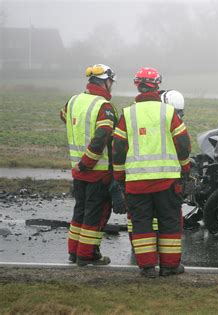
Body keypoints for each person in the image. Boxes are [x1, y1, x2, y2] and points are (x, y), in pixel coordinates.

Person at [112, 67, 191, 278]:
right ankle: (170, 266)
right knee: (169, 222)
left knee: (142, 224)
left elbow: (118, 149)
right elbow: (183, 144)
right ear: (157, 86)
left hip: (136, 184)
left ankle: (147, 267)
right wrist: (185, 168)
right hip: (167, 182)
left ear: (138, 85)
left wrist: (120, 177)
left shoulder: (127, 114)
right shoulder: (169, 112)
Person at [59, 64, 117, 266]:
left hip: (78, 170)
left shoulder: (73, 101)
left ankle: (73, 252)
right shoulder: (104, 107)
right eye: (111, 82)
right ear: (105, 82)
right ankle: (87, 254)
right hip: (96, 172)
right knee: (96, 214)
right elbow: (101, 138)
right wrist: (88, 162)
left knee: (80, 211)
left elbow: (64, 116)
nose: (112, 86)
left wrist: (81, 164)